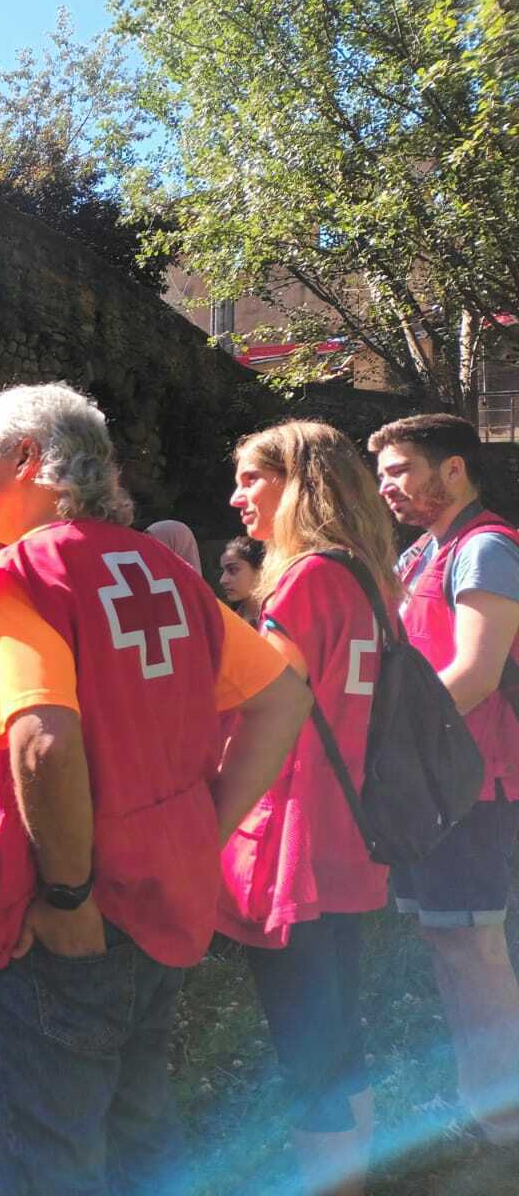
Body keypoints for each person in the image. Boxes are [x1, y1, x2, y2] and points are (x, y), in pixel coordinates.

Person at [0, 382, 308, 1196]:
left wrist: (67, 896)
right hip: (161, 904)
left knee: (51, 1158)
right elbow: (283, 699)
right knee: (142, 1132)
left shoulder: (20, 575)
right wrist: (202, 833)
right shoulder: (164, 569)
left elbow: (43, 742)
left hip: (65, 922)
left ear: (26, 458)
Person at [222, 422, 398, 1195]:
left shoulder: (298, 584)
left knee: (306, 1046)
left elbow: (269, 713)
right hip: (350, 831)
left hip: (294, 836)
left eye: (251, 479)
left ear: (297, 484)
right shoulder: (366, 575)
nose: (237, 497)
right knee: (338, 1032)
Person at [370, 413, 519, 1144]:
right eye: (381, 476)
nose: (386, 487)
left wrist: (383, 739)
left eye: (399, 470)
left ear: (453, 469)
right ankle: (478, 1099)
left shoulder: (484, 548)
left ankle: (504, 1119)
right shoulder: (420, 554)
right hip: (435, 782)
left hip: (477, 783)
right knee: (447, 943)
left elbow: (476, 673)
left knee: (475, 949)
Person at [219, 535, 266, 626]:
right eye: (223, 571)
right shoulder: (226, 624)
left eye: (232, 569)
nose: (222, 580)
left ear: (260, 570)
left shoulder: (280, 620)